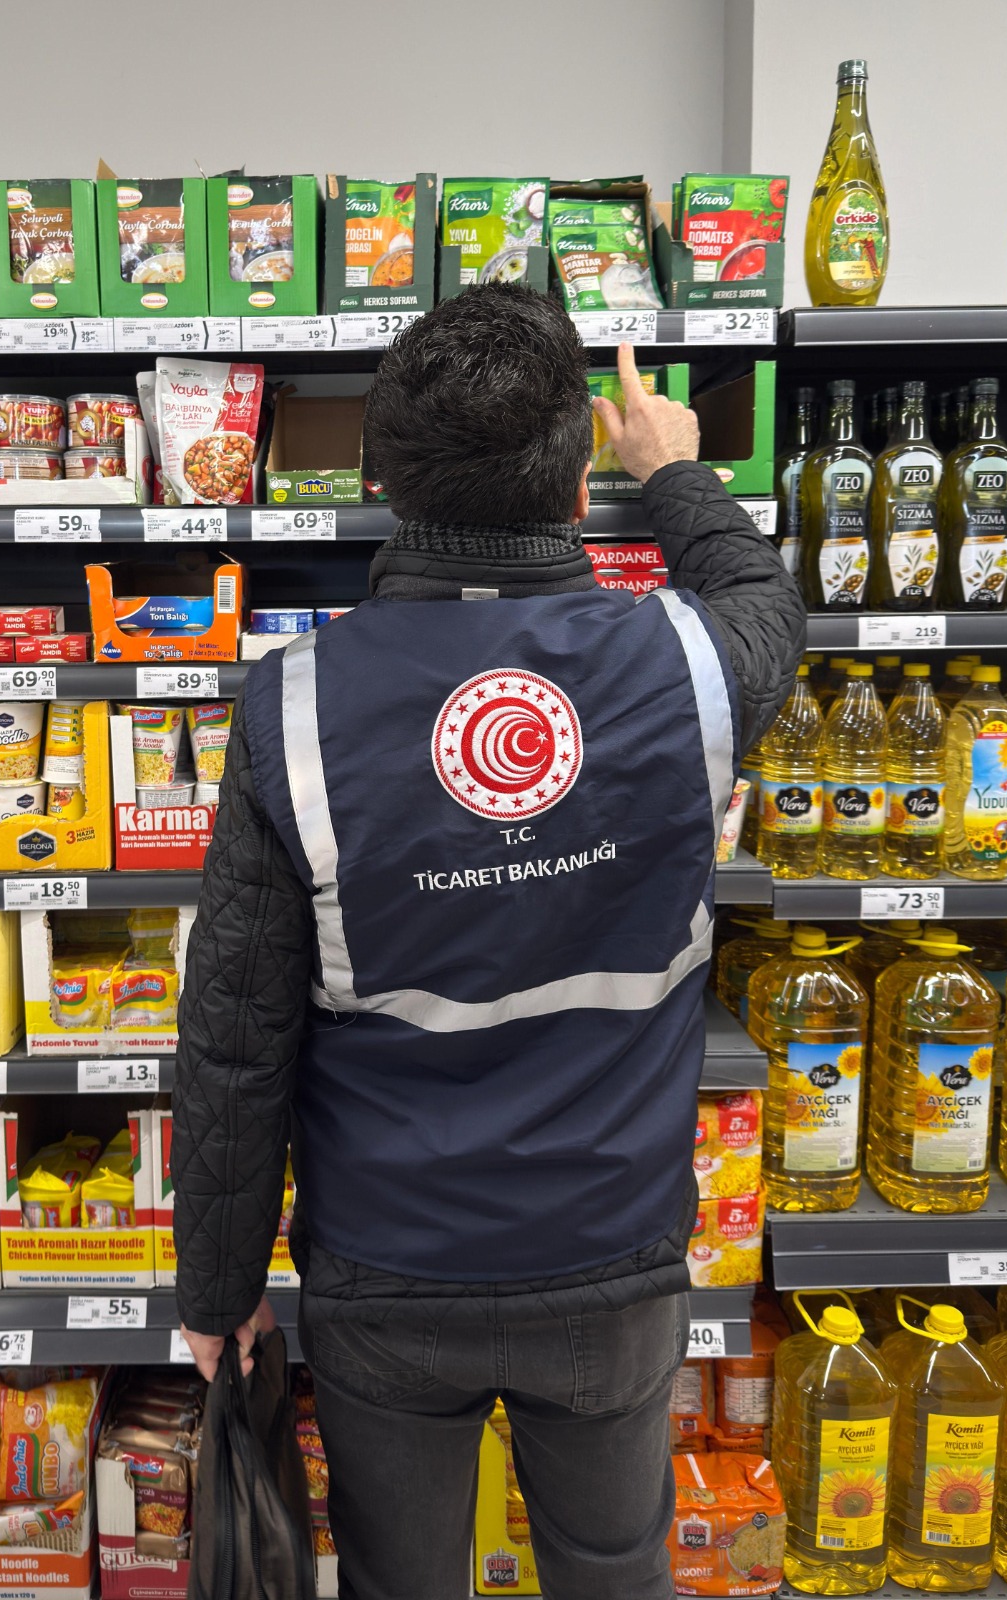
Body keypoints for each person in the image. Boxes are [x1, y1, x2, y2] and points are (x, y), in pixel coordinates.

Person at [172, 283, 805, 1600]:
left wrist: (215, 1288)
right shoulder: (693, 668)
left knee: (406, 1581)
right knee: (610, 1567)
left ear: (382, 482)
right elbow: (758, 594)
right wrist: (676, 472)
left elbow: (235, 1041)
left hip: (385, 1273)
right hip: (612, 1259)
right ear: (579, 487)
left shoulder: (289, 708)